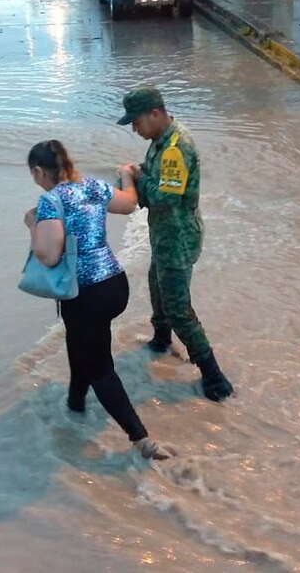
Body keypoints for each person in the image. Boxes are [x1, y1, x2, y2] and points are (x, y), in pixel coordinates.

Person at [24, 139, 168, 460]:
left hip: (84, 294)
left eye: (32, 173)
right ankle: (75, 404)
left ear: (38, 171)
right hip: (115, 285)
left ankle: (141, 439)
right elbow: (129, 204)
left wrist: (32, 225)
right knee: (79, 343)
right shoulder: (92, 186)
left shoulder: (50, 201)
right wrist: (127, 174)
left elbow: (47, 255)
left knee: (100, 367)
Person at [116, 86, 234, 402]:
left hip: (177, 236)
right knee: (157, 285)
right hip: (166, 233)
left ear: (155, 113)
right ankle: (160, 339)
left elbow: (163, 198)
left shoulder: (175, 148)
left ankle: (214, 377)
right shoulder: (160, 141)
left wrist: (137, 177)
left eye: (137, 122)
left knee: (178, 308)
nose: (134, 129)